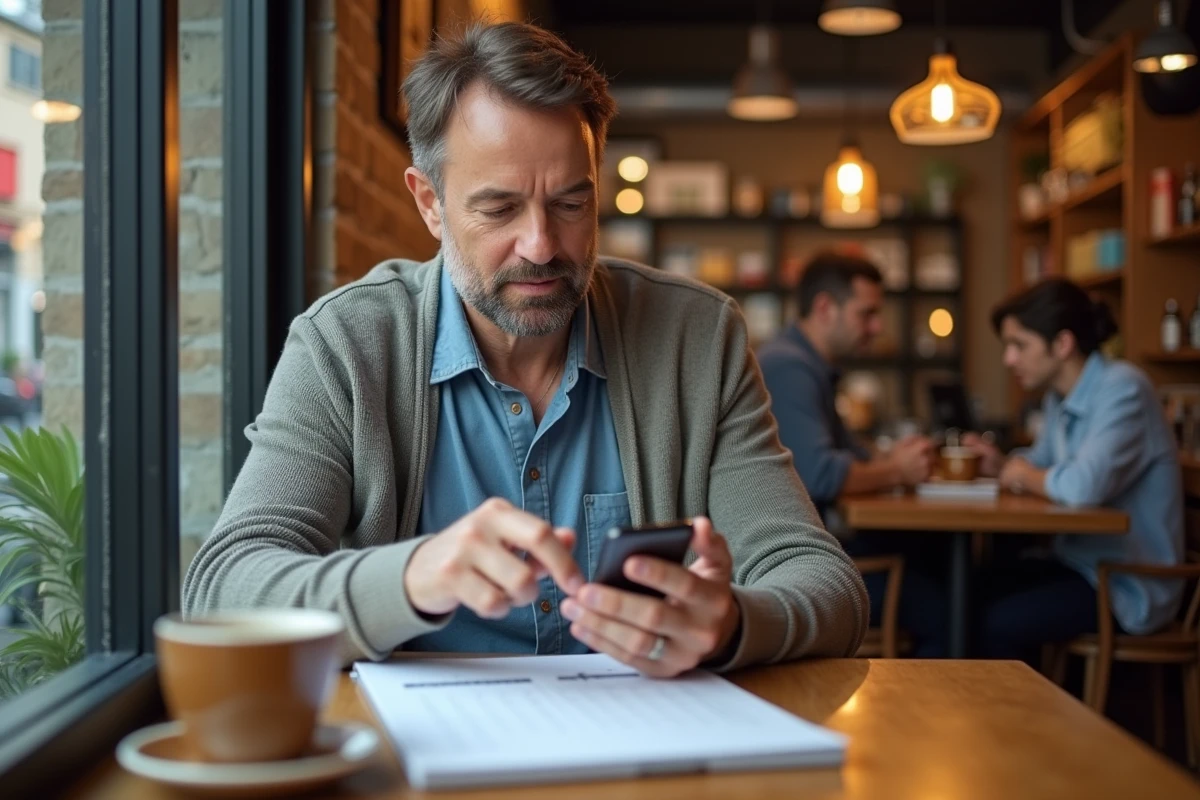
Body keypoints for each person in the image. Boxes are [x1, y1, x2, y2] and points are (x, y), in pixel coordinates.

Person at [183, 22, 867, 677]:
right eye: (499, 209)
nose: (542, 245)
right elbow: (221, 588)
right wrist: (413, 576)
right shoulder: (346, 346)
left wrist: (733, 623)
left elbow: (824, 581)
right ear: (429, 203)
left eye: (571, 204)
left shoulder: (697, 337)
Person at [965, 278, 1184, 661]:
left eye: (1019, 345)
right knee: (966, 590)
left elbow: (1082, 487)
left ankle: (1022, 722)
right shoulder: (1060, 397)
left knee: (997, 623)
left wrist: (1019, 474)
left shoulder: (1123, 388)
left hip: (1126, 585)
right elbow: (1041, 462)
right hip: (1082, 564)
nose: (1009, 360)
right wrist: (1003, 464)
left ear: (1062, 344)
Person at [758, 251, 945, 657]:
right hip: (800, 567)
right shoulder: (790, 368)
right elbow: (820, 472)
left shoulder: (807, 364)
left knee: (936, 562)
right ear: (826, 308)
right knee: (947, 610)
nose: (877, 328)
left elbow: (848, 452)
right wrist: (896, 470)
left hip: (815, 553)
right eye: (867, 314)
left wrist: (888, 457)